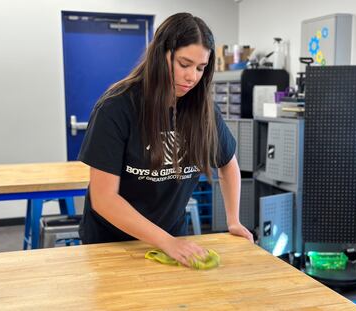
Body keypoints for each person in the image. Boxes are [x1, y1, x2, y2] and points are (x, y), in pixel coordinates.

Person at [78, 12, 254, 267]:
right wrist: (166, 242)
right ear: (161, 55)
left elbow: (228, 163)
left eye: (200, 68)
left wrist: (233, 220)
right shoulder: (116, 107)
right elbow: (104, 199)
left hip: (172, 240)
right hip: (112, 244)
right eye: (184, 64)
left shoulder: (202, 110)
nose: (192, 77)